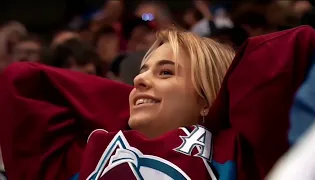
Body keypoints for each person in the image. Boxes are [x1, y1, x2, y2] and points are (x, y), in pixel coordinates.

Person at [0, 27, 235, 180]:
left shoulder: (231, 153)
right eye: (143, 72)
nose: (139, 79)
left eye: (165, 73)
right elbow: (20, 80)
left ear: (206, 99)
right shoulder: (97, 150)